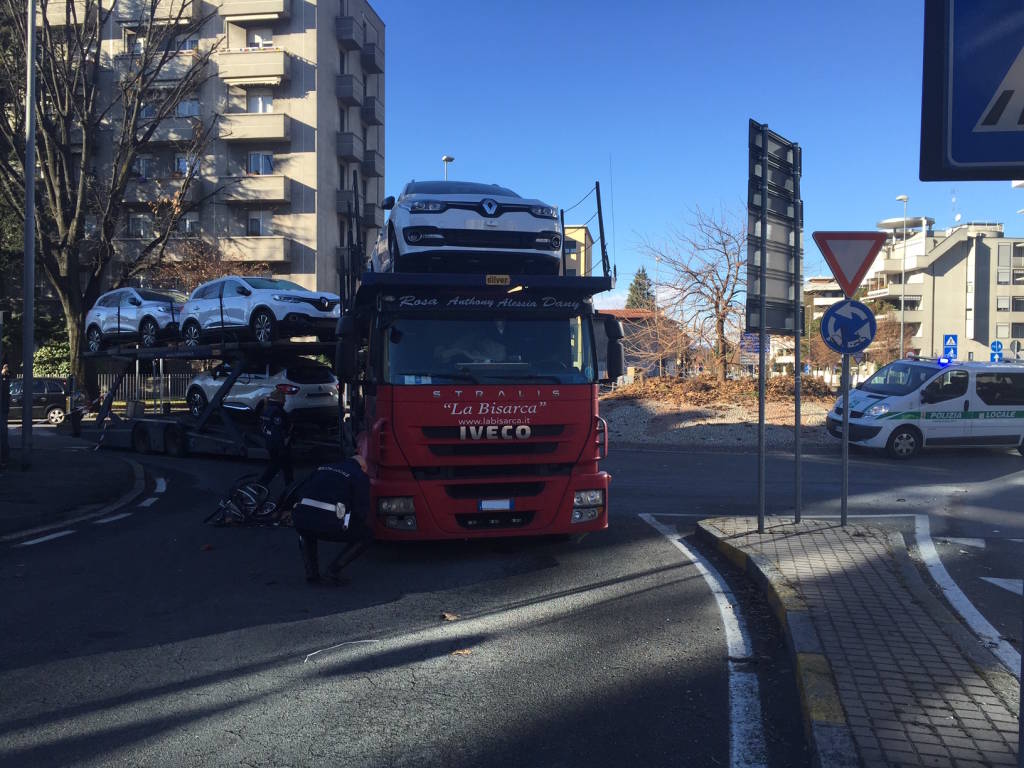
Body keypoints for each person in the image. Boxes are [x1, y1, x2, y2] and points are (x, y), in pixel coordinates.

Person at [288, 454, 371, 584]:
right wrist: (355, 521)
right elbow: (361, 508)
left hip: (302, 521)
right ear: (363, 467)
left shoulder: (321, 468)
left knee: (305, 530)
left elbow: (298, 489)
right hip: (330, 525)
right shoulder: (359, 476)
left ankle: (312, 573)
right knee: (366, 535)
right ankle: (333, 571)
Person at [258, 389, 294, 487]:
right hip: (279, 445)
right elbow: (277, 430)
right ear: (280, 399)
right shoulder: (278, 412)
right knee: (275, 466)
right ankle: (259, 486)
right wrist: (282, 446)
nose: (285, 401)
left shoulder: (265, 409)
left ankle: (290, 485)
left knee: (285, 465)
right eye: (284, 398)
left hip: (270, 442)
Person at [0, 360, 10, 469]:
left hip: (3, 409)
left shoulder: (5, 379)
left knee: (3, 434)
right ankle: (4, 457)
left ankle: (4, 458)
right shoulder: (5, 379)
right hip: (4, 409)